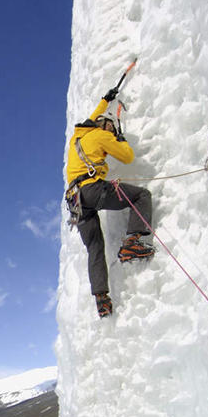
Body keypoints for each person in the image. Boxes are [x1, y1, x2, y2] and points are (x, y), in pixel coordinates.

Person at [66, 86, 154, 318]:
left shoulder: (79, 136)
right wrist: (121, 139)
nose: (112, 134)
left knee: (94, 247)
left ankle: (101, 299)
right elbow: (127, 157)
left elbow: (93, 117)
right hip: (93, 189)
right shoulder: (104, 135)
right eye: (112, 129)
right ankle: (132, 242)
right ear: (108, 127)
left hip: (75, 201)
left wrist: (105, 100)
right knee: (142, 195)